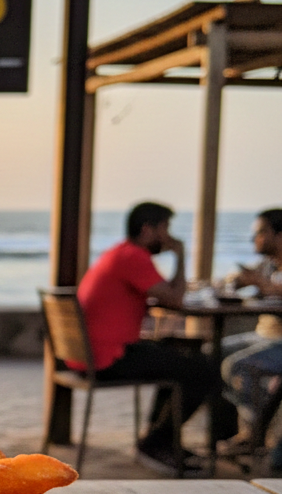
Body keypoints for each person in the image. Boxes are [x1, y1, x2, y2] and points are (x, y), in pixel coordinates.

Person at [73, 201, 228, 474]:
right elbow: (175, 298)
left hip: (88, 353)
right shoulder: (134, 257)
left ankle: (160, 442)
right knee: (202, 370)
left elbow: (163, 294)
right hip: (109, 357)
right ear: (148, 229)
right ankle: (156, 442)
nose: (168, 237)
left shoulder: (119, 253)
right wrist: (180, 255)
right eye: (165, 228)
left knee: (179, 356)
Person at [219, 208, 282, 447]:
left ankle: (258, 427)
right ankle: (241, 429)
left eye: (260, 233)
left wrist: (262, 285)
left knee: (237, 366)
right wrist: (236, 281)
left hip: (278, 342)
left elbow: (269, 288)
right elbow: (243, 281)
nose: (254, 239)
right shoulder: (268, 266)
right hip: (263, 335)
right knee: (209, 355)